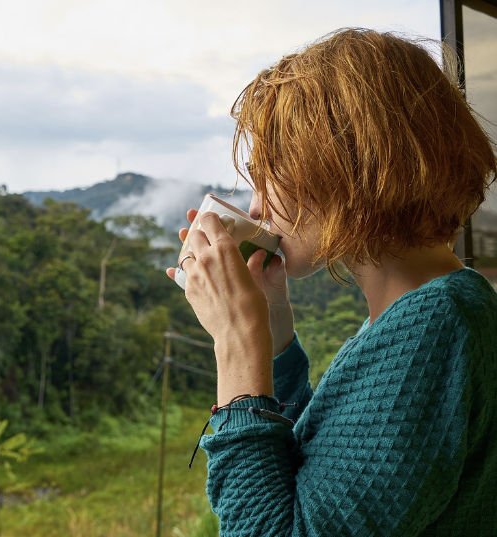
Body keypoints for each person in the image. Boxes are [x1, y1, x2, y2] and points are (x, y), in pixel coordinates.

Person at [166, 28, 497, 536]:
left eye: (268, 174)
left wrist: (236, 343)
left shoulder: (436, 325)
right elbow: (321, 477)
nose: (255, 206)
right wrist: (273, 333)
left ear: (342, 166)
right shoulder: (425, 312)